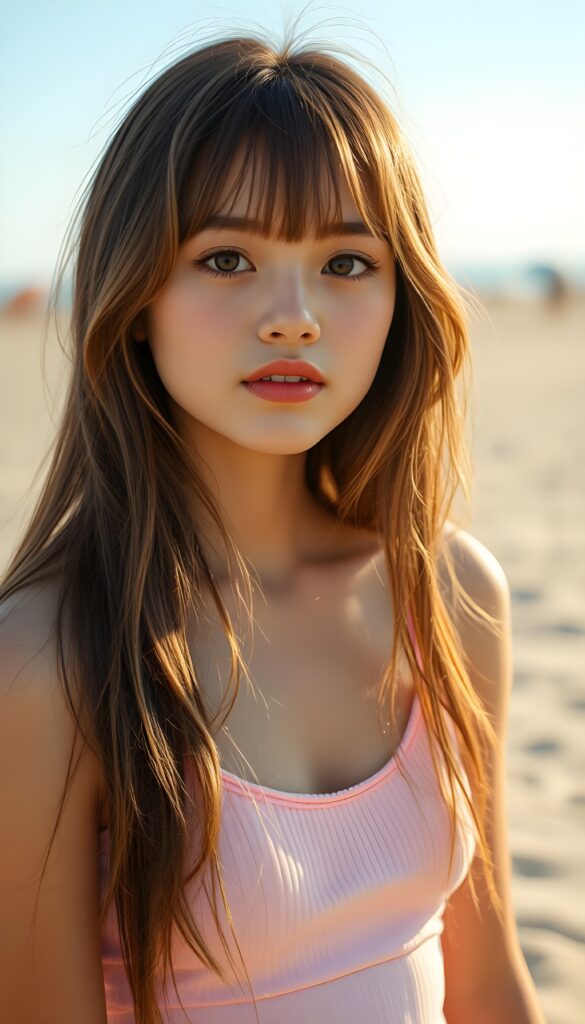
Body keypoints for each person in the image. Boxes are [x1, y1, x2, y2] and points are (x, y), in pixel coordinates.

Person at [0, 26, 547, 1024]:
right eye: (227, 256)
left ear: (401, 295)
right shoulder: (51, 658)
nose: (292, 314)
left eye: (345, 261)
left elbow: (490, 983)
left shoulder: (455, 595)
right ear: (135, 298)